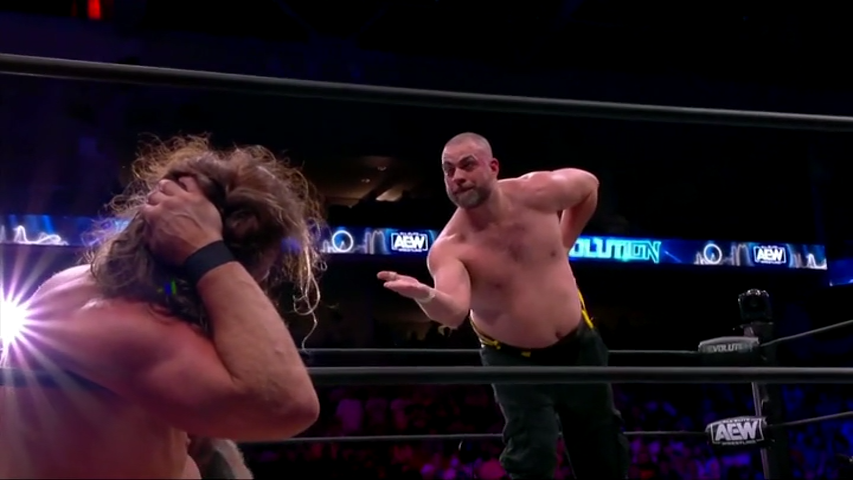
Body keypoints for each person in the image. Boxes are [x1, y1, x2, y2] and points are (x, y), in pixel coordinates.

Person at [0, 136, 324, 479]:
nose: (257, 285)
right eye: (255, 273)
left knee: (216, 451)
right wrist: (208, 252)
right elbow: (290, 405)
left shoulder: (86, 285)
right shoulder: (129, 327)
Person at [378, 133, 629, 479]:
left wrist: (563, 243)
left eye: (467, 165)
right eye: (448, 170)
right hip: (514, 360)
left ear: (493, 167)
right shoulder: (451, 247)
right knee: (532, 455)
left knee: (603, 452)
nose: (457, 177)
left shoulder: (537, 193)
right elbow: (453, 312)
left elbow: (588, 186)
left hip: (579, 343)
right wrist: (424, 294)